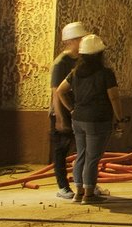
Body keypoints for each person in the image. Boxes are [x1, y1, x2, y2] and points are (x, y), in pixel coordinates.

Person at [54, 34, 123, 206]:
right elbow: (114, 98)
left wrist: (71, 108)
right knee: (93, 157)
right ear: (100, 54)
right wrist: (120, 118)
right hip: (98, 120)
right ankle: (89, 194)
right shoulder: (106, 74)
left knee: (81, 156)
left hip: (78, 119)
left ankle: (78, 193)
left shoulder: (75, 72)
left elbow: (60, 91)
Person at [46, 21, 90, 201]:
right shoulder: (61, 63)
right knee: (61, 150)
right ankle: (63, 186)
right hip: (62, 111)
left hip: (77, 110)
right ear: (71, 41)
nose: (82, 42)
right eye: (79, 39)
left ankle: (85, 183)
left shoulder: (81, 60)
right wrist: (60, 117)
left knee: (83, 149)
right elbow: (56, 92)